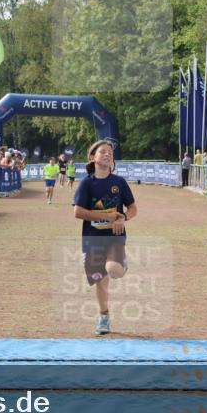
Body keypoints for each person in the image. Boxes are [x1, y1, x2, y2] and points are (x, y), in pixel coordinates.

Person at [73, 140, 137, 335]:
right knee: (100, 281)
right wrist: (106, 216)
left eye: (110, 152)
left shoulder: (119, 182)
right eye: (103, 152)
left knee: (113, 269)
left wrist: (123, 217)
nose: (108, 154)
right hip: (92, 239)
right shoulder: (86, 183)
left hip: (115, 237)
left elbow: (133, 208)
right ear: (93, 157)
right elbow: (78, 212)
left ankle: (121, 263)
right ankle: (104, 317)